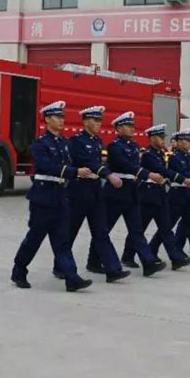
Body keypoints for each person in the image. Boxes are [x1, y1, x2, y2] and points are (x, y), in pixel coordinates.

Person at [11, 100, 92, 292]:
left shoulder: (64, 143)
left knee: (62, 241)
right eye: (58, 117)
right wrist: (74, 172)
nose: (62, 120)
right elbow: (47, 166)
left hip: (60, 197)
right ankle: (19, 270)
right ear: (47, 119)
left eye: (63, 117)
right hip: (43, 198)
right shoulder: (40, 143)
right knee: (35, 238)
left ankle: (72, 278)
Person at [62, 105, 130, 283]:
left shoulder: (98, 141)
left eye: (100, 120)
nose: (99, 123)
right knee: (70, 231)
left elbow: (98, 162)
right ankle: (61, 266)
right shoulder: (76, 141)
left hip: (94, 191)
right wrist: (108, 175)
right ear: (85, 122)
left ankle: (112, 269)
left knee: (101, 231)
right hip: (78, 191)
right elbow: (89, 162)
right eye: (95, 120)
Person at [97, 111, 167, 276]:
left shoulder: (134, 146)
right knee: (105, 228)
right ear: (119, 128)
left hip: (131, 191)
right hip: (116, 191)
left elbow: (134, 166)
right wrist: (148, 174)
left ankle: (148, 263)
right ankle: (94, 261)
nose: (131, 129)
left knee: (136, 229)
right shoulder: (115, 146)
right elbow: (127, 165)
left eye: (132, 126)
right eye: (128, 126)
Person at [153, 127, 190, 267]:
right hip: (176, 194)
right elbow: (184, 173)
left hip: (187, 194)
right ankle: (152, 250)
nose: (189, 143)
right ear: (179, 142)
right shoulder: (175, 158)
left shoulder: (188, 157)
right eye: (187, 141)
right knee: (167, 226)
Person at [138, 124, 190, 269]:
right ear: (152, 138)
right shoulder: (148, 154)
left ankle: (176, 258)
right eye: (160, 137)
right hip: (148, 195)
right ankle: (128, 254)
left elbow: (163, 172)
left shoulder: (160, 154)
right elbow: (161, 169)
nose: (163, 140)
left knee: (166, 228)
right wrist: (181, 179)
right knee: (139, 228)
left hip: (160, 194)